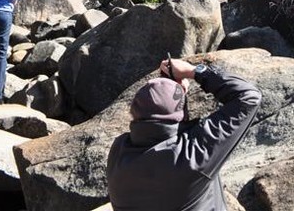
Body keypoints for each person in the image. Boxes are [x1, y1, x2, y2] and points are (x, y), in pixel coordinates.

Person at [107, 57, 262, 211]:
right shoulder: (191, 155)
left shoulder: (118, 153)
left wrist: (170, 94)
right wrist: (196, 71)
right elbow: (248, 97)